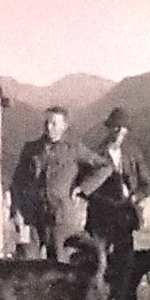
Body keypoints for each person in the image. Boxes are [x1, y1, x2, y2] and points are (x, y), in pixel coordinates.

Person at [11, 106, 112, 263]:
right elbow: (17, 182)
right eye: (46, 123)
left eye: (53, 123)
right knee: (27, 267)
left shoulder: (74, 149)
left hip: (61, 217)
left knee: (60, 267)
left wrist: (83, 188)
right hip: (32, 217)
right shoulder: (31, 149)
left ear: (64, 126)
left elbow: (105, 167)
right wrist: (17, 211)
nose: (48, 127)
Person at [85, 107, 150, 260]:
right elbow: (89, 187)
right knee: (99, 259)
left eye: (122, 129)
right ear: (109, 129)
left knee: (124, 259)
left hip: (125, 214)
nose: (118, 133)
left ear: (127, 131)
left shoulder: (133, 153)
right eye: (115, 128)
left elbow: (146, 183)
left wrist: (135, 197)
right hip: (101, 216)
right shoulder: (97, 154)